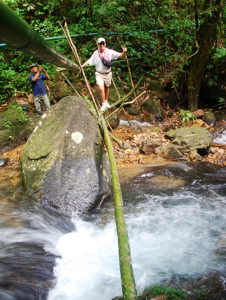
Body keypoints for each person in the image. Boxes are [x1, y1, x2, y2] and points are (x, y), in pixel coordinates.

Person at [81, 37, 127, 112]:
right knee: (101, 88)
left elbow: (120, 55)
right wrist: (82, 66)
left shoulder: (109, 52)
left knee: (107, 87)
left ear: (105, 44)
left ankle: (106, 101)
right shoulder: (96, 53)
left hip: (108, 73)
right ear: (98, 45)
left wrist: (124, 52)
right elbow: (90, 61)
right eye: (100, 44)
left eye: (103, 43)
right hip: (99, 74)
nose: (101, 45)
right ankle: (103, 103)